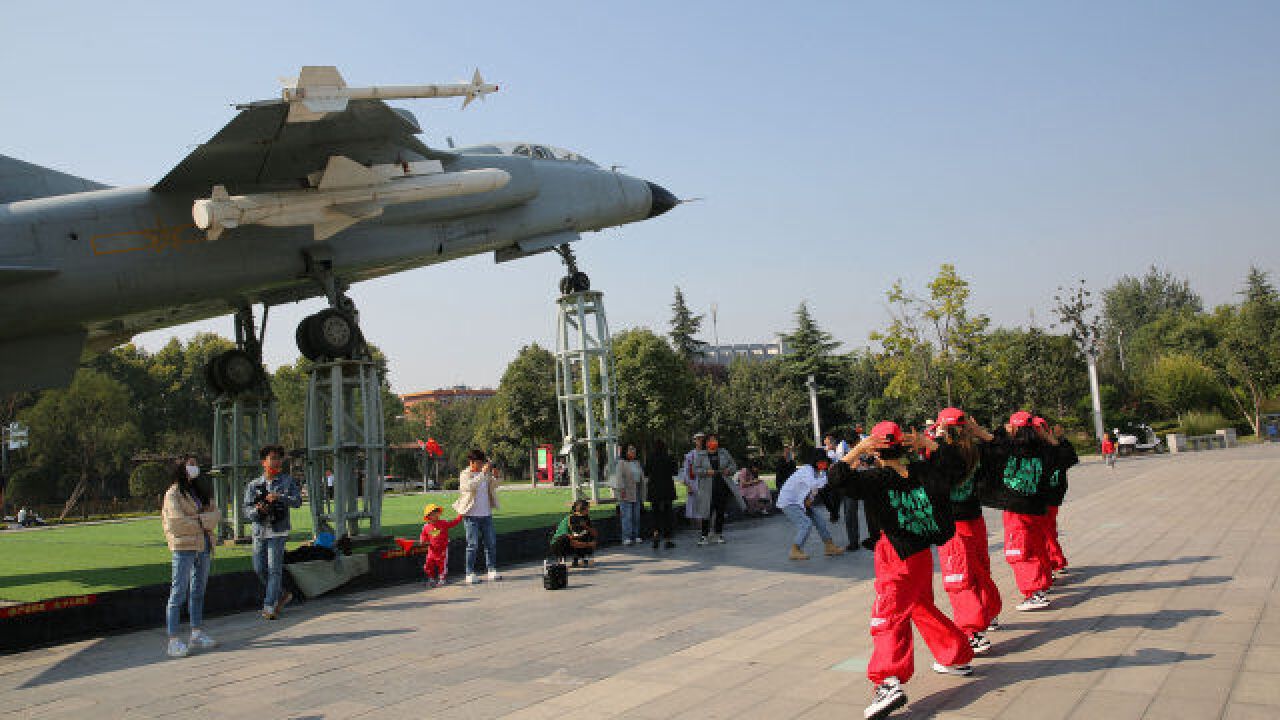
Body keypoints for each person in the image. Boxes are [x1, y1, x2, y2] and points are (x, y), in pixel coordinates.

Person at [828, 422, 974, 720]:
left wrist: (858, 449)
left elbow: (837, 478)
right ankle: (955, 653)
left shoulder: (876, 479)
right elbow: (957, 466)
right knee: (920, 608)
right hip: (920, 553)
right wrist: (927, 443)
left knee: (887, 615)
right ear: (904, 446)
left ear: (876, 450)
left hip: (894, 554)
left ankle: (888, 680)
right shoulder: (924, 472)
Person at [932, 409, 1002, 655]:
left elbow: (937, 475)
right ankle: (987, 612)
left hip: (953, 524)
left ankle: (972, 631)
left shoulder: (946, 453)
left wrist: (937, 442)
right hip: (974, 519)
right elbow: (1002, 448)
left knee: (959, 577)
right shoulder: (977, 449)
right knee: (980, 570)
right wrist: (980, 432)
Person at [983, 411, 1063, 612]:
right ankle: (1042, 583)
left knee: (1018, 551)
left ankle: (1034, 591)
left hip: (1017, 509)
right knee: (1036, 547)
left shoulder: (1010, 449)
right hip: (1036, 507)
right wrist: (1046, 436)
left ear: (1014, 428)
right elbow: (1064, 454)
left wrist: (1000, 431)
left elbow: (991, 444)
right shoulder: (1044, 449)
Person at [162, 457, 220, 657]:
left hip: (203, 545)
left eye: (195, 463)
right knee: (178, 592)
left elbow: (216, 514)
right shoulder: (173, 494)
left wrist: (198, 520)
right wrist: (204, 521)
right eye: (190, 463)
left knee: (198, 590)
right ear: (181, 467)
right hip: (184, 547)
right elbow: (177, 523)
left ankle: (196, 632)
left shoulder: (200, 490)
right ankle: (173, 638)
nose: (194, 467)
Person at [243, 444, 303, 620]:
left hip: (278, 531)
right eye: (273, 458)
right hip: (260, 531)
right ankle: (282, 594)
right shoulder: (254, 485)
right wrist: (258, 510)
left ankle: (269, 606)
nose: (276, 462)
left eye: (279, 458)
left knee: (274, 569)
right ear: (264, 462)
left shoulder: (287, 481)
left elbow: (297, 501)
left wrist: (280, 497)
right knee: (259, 568)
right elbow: (246, 509)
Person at [776, 447, 844, 559]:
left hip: (801, 502)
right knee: (805, 524)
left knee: (820, 521)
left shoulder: (819, 473)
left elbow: (820, 491)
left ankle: (829, 546)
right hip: (789, 502)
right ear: (817, 462)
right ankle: (795, 550)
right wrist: (829, 477)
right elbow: (813, 485)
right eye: (823, 462)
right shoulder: (807, 470)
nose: (825, 464)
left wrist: (831, 511)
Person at [453, 448, 501, 584]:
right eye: (478, 463)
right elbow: (469, 487)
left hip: (486, 514)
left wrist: (496, 476)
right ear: (471, 462)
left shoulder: (484, 474)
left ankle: (491, 570)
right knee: (472, 544)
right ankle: (469, 573)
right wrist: (483, 474)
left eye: (482, 463)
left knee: (491, 543)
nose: (481, 466)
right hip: (471, 516)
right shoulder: (465, 474)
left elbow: (495, 486)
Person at [689, 433, 743, 545]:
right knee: (706, 512)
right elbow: (695, 470)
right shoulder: (701, 455)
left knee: (720, 512)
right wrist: (706, 472)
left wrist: (729, 470)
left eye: (715, 440)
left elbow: (733, 466)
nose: (713, 442)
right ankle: (704, 536)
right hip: (706, 488)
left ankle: (718, 534)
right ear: (707, 443)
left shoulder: (724, 452)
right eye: (711, 440)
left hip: (722, 486)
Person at [1042, 421, 1078, 579]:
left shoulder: (1057, 446)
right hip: (1043, 498)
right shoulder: (1035, 447)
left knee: (1046, 531)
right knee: (1047, 530)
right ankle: (1054, 561)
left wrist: (1057, 441)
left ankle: (1055, 561)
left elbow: (1070, 458)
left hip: (1049, 498)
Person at [419, 503, 463, 586]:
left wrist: (460, 515)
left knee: (442, 564)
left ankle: (442, 579)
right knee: (428, 565)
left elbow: (454, 523)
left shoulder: (443, 523)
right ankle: (431, 579)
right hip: (431, 551)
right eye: (433, 513)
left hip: (442, 549)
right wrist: (423, 541)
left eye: (437, 512)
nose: (436, 514)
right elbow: (423, 536)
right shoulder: (426, 527)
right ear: (428, 516)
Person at [646, 440, 678, 549]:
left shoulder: (650, 458)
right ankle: (668, 539)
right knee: (668, 515)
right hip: (667, 490)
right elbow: (675, 471)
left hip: (654, 490)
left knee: (655, 514)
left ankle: (655, 535)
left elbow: (646, 472)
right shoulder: (669, 457)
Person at [550, 499, 598, 567]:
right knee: (566, 539)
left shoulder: (586, 518)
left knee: (589, 536)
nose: (589, 510)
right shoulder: (572, 518)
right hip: (559, 544)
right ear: (581, 509)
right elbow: (573, 539)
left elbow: (595, 533)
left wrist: (586, 527)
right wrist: (588, 544)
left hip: (572, 540)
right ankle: (561, 561)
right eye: (587, 508)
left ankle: (579, 559)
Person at [614, 445, 645, 545]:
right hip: (626, 492)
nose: (633, 451)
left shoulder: (637, 463)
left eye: (634, 449)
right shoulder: (621, 463)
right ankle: (626, 537)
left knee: (636, 516)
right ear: (625, 452)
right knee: (627, 516)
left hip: (636, 491)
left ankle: (636, 535)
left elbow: (641, 477)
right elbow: (619, 477)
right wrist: (622, 489)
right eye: (631, 450)